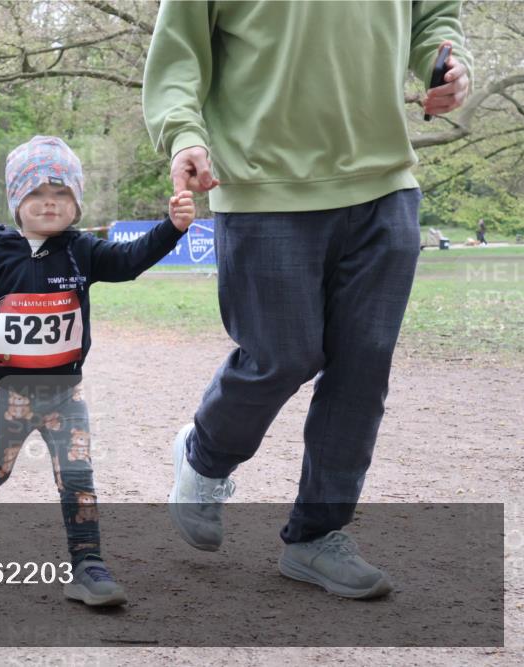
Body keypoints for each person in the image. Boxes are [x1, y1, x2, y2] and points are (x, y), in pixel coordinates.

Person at [143, 1, 472, 599]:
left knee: (362, 366)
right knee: (281, 356)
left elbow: (434, 18)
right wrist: (183, 134)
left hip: (385, 182)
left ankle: (318, 535)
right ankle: (204, 457)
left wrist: (443, 64)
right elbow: (178, 55)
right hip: (262, 183)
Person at [0, 136, 195, 607]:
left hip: (64, 394)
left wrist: (171, 228)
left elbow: (129, 261)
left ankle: (88, 566)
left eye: (62, 195)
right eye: (36, 195)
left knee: (78, 477)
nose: (49, 204)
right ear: (15, 202)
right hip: (5, 395)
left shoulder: (82, 251)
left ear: (76, 204)